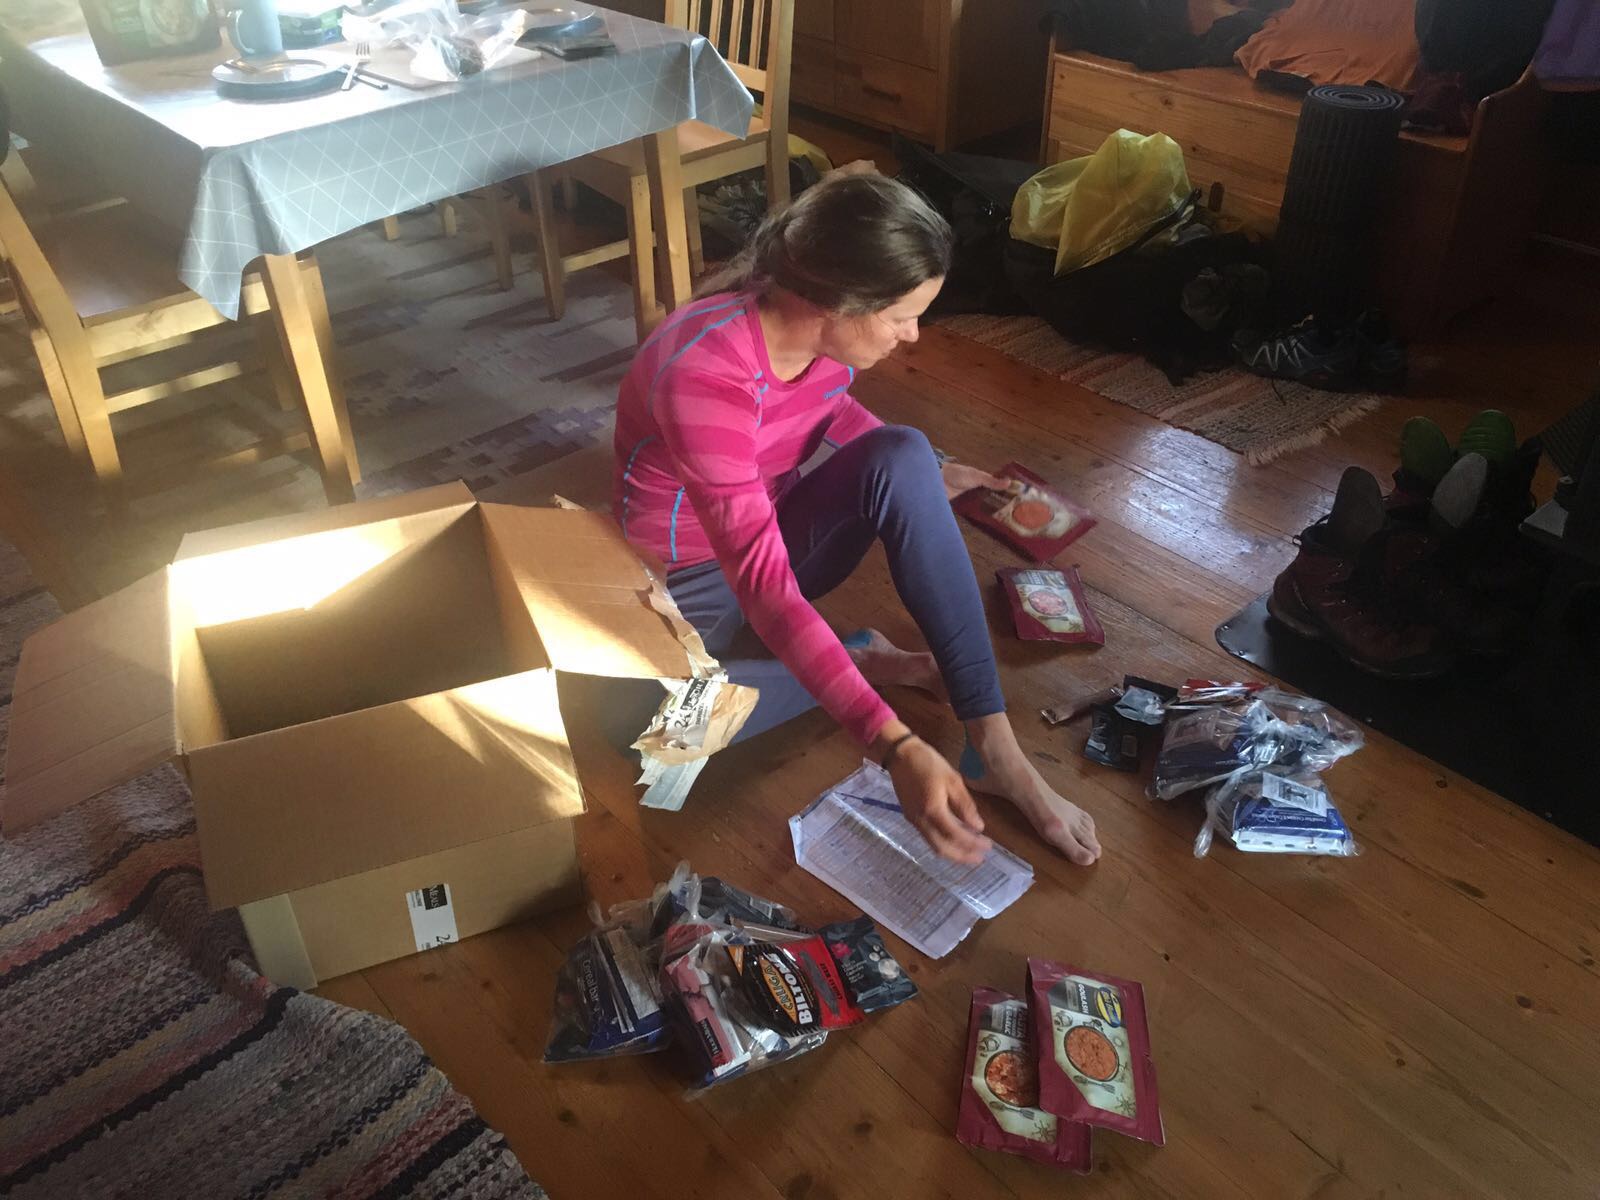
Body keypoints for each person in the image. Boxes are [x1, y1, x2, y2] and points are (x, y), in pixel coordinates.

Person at [612, 170, 1101, 868]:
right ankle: (862, 660)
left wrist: (929, 469)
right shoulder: (707, 376)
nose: (913, 335)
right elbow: (767, 590)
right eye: (902, 316)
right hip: (683, 579)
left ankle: (995, 746)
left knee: (903, 451)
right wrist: (894, 743)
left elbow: (825, 404)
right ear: (837, 303)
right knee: (656, 733)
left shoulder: (823, 339)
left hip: (769, 539)